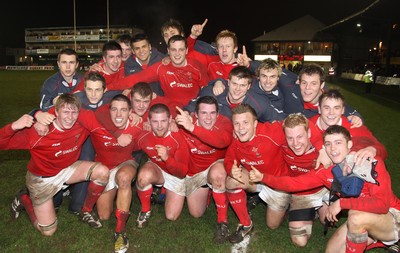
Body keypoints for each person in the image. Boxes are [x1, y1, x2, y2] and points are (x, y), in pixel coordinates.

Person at [250, 125, 400, 253]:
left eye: (338, 143)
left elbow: (382, 204)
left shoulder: (369, 163)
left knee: (355, 216)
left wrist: (341, 203)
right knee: (331, 250)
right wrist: (263, 177)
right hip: (365, 217)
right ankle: (377, 241)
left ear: (349, 145)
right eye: (328, 144)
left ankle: (389, 239)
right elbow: (293, 183)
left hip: (392, 217)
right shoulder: (327, 172)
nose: (333, 149)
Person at [3, 93, 110, 236]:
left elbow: (105, 116)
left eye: (74, 112)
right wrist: (14, 126)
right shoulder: (37, 132)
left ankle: (86, 211)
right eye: (65, 112)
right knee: (48, 231)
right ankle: (23, 199)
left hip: (67, 170)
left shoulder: (80, 125)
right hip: (42, 180)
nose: (70, 117)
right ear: (56, 112)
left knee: (102, 172)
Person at [223, 104, 290, 244]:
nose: (241, 128)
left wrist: (320, 147)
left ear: (255, 123)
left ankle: (286, 204)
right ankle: (246, 224)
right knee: (231, 181)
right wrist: (231, 169)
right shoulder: (237, 138)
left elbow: (299, 129)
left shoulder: (273, 132)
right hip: (256, 180)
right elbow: (229, 159)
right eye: (237, 123)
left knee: (272, 225)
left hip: (277, 183)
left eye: (245, 123)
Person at [175, 96, 233, 244]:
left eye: (212, 113)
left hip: (216, 166)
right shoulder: (184, 124)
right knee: (196, 213)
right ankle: (208, 192)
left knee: (218, 174)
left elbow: (221, 142)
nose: (208, 118)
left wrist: (193, 128)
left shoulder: (225, 123)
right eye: (204, 113)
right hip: (195, 174)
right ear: (195, 114)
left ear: (218, 114)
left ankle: (222, 223)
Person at [90, 94, 141, 253]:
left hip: (126, 163)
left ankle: (120, 231)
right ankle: (115, 198)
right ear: (109, 110)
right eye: (115, 109)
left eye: (124, 110)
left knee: (124, 179)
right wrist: (36, 113)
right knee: (104, 215)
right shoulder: (97, 121)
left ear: (130, 112)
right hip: (104, 168)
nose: (119, 115)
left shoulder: (137, 124)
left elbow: (158, 123)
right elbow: (96, 112)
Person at [107, 35, 209, 108]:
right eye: (173, 50)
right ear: (168, 51)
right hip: (169, 110)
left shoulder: (197, 66)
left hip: (193, 108)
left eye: (181, 50)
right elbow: (134, 79)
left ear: (186, 51)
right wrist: (108, 87)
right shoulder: (160, 67)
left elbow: (206, 90)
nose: (177, 54)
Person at [134, 103, 189, 228]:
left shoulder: (178, 137)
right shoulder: (144, 135)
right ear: (148, 121)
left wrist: (167, 158)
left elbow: (182, 172)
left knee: (171, 216)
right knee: (143, 176)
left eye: (163, 121)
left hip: (175, 174)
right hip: (157, 168)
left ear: (170, 120)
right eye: (155, 121)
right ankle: (145, 210)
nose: (159, 126)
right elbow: (129, 146)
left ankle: (162, 191)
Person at [309, 89, 388, 162]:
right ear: (319, 109)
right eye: (326, 108)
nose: (331, 112)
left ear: (343, 110)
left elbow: (382, 150)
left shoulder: (354, 127)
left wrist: (372, 150)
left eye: (336, 108)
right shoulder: (308, 125)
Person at [185, 66, 285, 122]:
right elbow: (193, 105)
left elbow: (280, 118)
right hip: (216, 138)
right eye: (234, 84)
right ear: (228, 82)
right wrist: (186, 114)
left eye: (242, 85)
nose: (237, 89)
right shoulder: (212, 93)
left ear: (249, 86)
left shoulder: (259, 103)